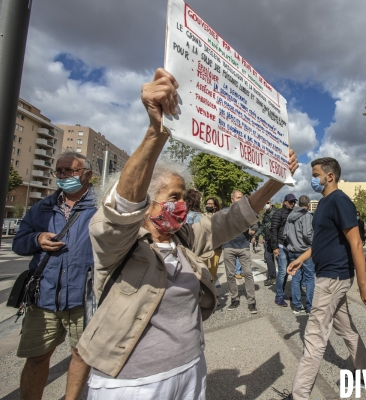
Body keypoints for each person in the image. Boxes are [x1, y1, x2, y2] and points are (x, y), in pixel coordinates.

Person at [76, 69, 298, 399]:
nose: (182, 206)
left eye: (184, 197)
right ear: (146, 203)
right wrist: (157, 131)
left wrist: (276, 181)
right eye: (173, 198)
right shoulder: (119, 242)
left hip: (190, 370)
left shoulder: (184, 239)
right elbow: (121, 208)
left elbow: (232, 219)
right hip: (133, 384)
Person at [284, 157, 366, 400]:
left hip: (333, 279)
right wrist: (302, 258)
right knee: (347, 330)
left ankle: (298, 395)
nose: (312, 179)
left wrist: (363, 284)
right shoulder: (323, 203)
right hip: (326, 275)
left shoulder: (341, 201)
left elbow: (356, 242)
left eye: (315, 174)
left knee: (314, 337)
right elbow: (321, 242)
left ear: (330, 176)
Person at [12, 152, 96, 400]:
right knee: (36, 357)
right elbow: (18, 243)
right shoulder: (42, 207)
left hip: (84, 297)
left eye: (71, 171)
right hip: (44, 297)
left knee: (81, 355)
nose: (63, 176)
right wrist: (36, 239)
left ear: (87, 175)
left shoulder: (102, 206)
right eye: (59, 171)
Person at [223, 190, 258, 312]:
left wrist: (253, 230)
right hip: (229, 247)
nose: (241, 200)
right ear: (232, 199)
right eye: (238, 198)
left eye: (242, 198)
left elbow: (255, 222)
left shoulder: (246, 211)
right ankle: (234, 299)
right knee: (230, 275)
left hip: (243, 246)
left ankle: (252, 301)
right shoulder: (224, 212)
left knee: (248, 274)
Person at [284, 195, 314, 314]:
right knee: (310, 278)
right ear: (308, 204)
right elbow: (307, 234)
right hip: (305, 251)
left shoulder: (290, 215)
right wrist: (314, 243)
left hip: (292, 250)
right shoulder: (307, 215)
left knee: (295, 278)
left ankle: (297, 306)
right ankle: (309, 307)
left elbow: (285, 233)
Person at [271, 193, 297, 307]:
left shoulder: (294, 213)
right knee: (282, 272)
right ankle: (279, 297)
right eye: (290, 202)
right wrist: (275, 247)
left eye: (294, 202)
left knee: (287, 271)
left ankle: (282, 292)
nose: (292, 204)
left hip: (290, 246)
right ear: (285, 202)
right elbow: (274, 230)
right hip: (281, 245)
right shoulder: (278, 213)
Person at [256, 200, 277, 286]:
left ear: (271, 203)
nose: (266, 204)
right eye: (265, 202)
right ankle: (272, 276)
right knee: (268, 258)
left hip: (276, 240)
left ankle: (282, 279)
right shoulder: (265, 215)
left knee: (281, 260)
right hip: (268, 240)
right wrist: (257, 235)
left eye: (267, 202)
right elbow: (262, 227)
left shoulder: (276, 213)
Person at [203, 197, 221, 284]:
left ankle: (212, 292)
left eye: (210, 204)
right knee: (204, 270)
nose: (208, 205)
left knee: (213, 271)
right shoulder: (203, 216)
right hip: (204, 248)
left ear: (215, 206)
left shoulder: (219, 216)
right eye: (207, 204)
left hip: (216, 247)